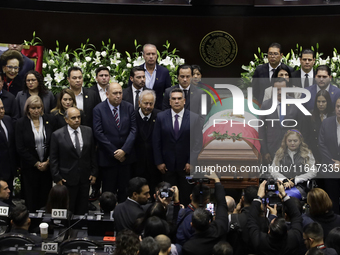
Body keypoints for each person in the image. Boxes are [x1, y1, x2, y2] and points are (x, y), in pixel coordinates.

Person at [153, 87, 203, 206]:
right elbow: (156, 141)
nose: (176, 101)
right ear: (169, 101)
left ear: (184, 101)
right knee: (167, 195)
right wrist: (159, 162)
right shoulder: (161, 117)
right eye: (174, 99)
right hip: (166, 166)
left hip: (186, 166)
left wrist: (191, 161)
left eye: (179, 99)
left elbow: (198, 142)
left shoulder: (194, 118)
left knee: (185, 195)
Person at [93, 82, 137, 202]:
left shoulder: (128, 107)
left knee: (124, 191)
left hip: (126, 159)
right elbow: (98, 133)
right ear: (107, 94)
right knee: (108, 193)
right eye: (115, 93)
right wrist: (114, 152)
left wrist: (124, 151)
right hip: (108, 159)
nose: (118, 96)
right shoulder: (98, 109)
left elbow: (133, 130)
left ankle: (123, 217)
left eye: (120, 93)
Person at [50, 107, 97, 215]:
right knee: (68, 207)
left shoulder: (88, 131)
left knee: (83, 208)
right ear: (66, 120)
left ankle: (81, 229)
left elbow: (92, 154)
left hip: (85, 177)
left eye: (79, 117)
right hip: (67, 178)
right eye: (73, 118)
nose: (77, 120)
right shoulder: (57, 135)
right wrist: (57, 177)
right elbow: (54, 158)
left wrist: (94, 173)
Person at [16, 95, 56, 212]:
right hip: (30, 168)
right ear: (28, 108)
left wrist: (47, 162)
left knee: (45, 197)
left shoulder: (49, 120)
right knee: (31, 199)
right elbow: (20, 148)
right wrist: (36, 163)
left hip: (46, 167)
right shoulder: (21, 123)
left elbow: (54, 143)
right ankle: (32, 224)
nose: (36, 110)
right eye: (33, 108)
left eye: (39, 107)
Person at [248, 180, 303, 255]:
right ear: (287, 231)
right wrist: (284, 195)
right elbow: (297, 215)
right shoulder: (294, 239)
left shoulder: (260, 241)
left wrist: (259, 197)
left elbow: (251, 219)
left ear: (269, 231)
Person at [259, 77, 305, 164]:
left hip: (292, 149)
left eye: (282, 89)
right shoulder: (266, 105)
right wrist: (265, 151)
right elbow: (261, 129)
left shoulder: (296, 104)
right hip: (272, 149)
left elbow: (301, 127)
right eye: (277, 89)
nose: (280, 92)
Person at [182, 172, 229, 255]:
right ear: (209, 222)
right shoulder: (220, 228)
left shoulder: (188, 247)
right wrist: (217, 180)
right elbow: (222, 203)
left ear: (192, 224)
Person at [270, 129, 316, 199]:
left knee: (289, 196)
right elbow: (273, 170)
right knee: (275, 196)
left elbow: (313, 172)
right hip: (283, 185)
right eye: (289, 141)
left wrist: (296, 180)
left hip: (300, 185)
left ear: (300, 141)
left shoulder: (307, 153)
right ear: (285, 141)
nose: (292, 143)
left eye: (295, 141)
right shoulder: (279, 153)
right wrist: (284, 180)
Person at [133, 90, 161, 192]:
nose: (148, 106)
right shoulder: (132, 115)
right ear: (139, 103)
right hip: (135, 163)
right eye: (145, 103)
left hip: (154, 163)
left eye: (151, 103)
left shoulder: (159, 116)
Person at [130, 44, 171, 110]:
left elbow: (168, 92)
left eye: (153, 54)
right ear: (143, 56)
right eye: (148, 54)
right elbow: (130, 90)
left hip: (158, 110)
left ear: (156, 56)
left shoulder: (164, 72)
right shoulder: (136, 71)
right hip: (139, 110)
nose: (151, 56)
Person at [319, 97, 340, 213]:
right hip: (330, 169)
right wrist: (333, 163)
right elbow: (321, 144)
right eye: (338, 106)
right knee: (332, 202)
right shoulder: (327, 122)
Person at [305, 90, 334, 164]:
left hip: (330, 155)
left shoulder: (334, 116)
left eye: (323, 101)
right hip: (313, 154)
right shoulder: (309, 116)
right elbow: (306, 136)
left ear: (328, 102)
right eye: (318, 101)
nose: (321, 104)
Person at [0, 99, 16, 194]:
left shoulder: (7, 119)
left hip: (9, 166)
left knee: (8, 191)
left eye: (2, 108)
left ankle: (9, 206)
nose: (1, 111)